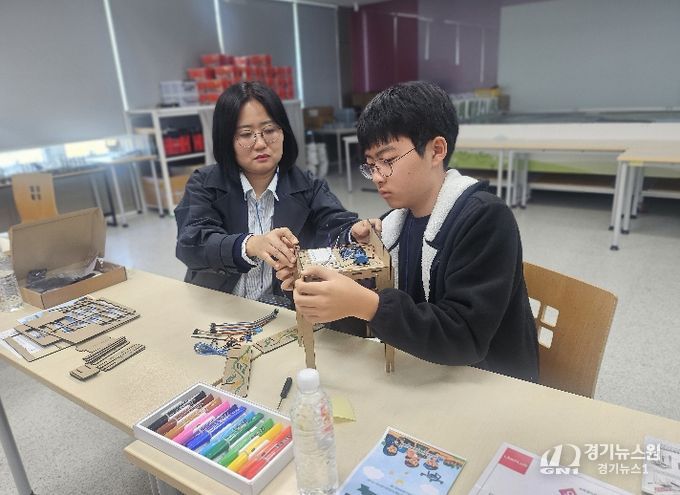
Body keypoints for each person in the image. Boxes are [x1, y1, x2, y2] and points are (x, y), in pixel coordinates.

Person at [280, 81, 539, 381]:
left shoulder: (485, 219)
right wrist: (319, 291)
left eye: (388, 160)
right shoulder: (393, 224)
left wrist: (368, 305)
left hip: (490, 381)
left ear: (436, 150)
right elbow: (379, 323)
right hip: (423, 369)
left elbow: (465, 337)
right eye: (371, 165)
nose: (377, 177)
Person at [175, 81, 358, 303]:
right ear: (226, 139)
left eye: (269, 130)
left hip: (283, 310)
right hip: (217, 306)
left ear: (283, 133)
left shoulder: (308, 186)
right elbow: (191, 244)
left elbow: (336, 224)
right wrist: (250, 245)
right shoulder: (204, 183)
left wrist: (353, 232)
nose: (260, 143)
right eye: (246, 134)